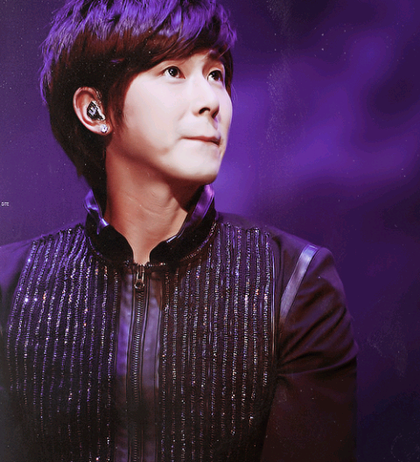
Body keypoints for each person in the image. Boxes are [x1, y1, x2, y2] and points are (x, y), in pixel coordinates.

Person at [0, 0, 358, 460]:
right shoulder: (11, 286)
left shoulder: (295, 283)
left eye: (215, 74)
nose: (211, 101)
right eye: (173, 71)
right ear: (94, 110)